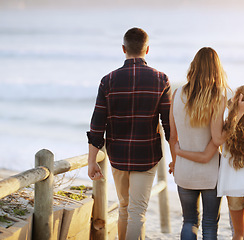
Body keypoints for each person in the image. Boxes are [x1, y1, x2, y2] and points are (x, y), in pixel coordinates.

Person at [87, 27, 173, 240]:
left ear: (123, 49)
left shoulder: (108, 80)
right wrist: (176, 158)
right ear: (148, 49)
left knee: (124, 207)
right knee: (137, 212)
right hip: (147, 154)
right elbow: (169, 125)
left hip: (118, 156)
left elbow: (97, 123)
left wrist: (91, 160)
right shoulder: (161, 79)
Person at [168, 47, 244, 240]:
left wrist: (175, 162)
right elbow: (217, 139)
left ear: (194, 67)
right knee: (209, 224)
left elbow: (173, 137)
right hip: (210, 173)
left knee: (189, 221)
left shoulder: (176, 94)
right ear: (217, 69)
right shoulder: (218, 96)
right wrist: (239, 113)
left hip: (184, 170)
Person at [175, 85, 244, 240]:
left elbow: (217, 146)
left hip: (232, 188)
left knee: (238, 234)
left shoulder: (227, 127)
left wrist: (235, 105)